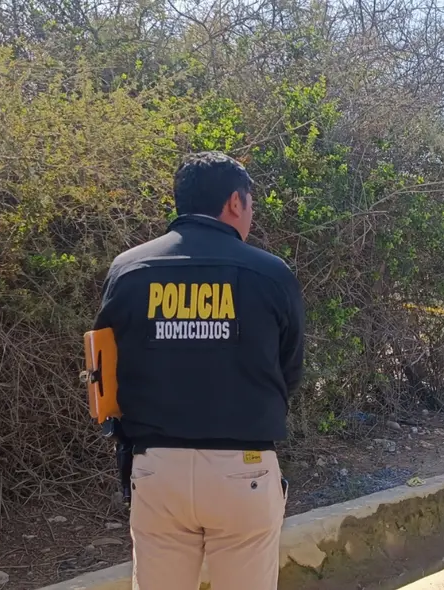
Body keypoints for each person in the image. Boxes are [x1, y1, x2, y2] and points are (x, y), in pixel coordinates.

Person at [93, 151, 305, 589]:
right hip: (244, 471)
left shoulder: (129, 270)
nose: (250, 215)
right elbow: (290, 371)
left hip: (157, 471)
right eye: (250, 204)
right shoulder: (270, 274)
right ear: (234, 202)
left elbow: (106, 365)